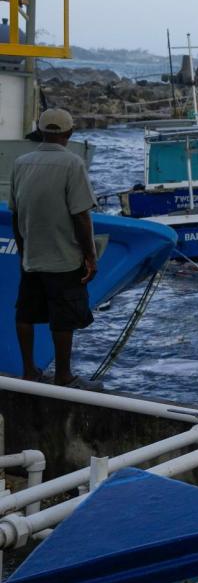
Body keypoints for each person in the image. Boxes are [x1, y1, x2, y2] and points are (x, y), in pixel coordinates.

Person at [9, 109, 98, 386]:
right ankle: (63, 376)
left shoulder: (21, 162)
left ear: (40, 129)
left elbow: (16, 213)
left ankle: (28, 370)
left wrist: (24, 250)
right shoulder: (73, 164)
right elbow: (81, 215)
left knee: (25, 313)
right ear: (69, 133)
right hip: (63, 256)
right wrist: (90, 255)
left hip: (32, 255)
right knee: (64, 317)